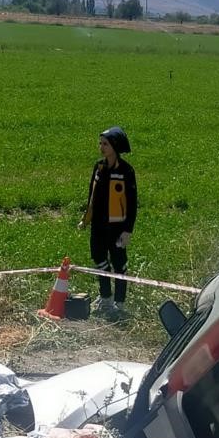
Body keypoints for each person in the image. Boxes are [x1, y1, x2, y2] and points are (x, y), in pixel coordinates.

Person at [79, 125, 137, 314]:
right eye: (100, 143)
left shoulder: (127, 171)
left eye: (105, 144)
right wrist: (86, 219)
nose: (101, 147)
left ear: (115, 146)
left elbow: (132, 202)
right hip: (98, 225)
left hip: (117, 227)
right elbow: (91, 194)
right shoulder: (99, 166)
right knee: (99, 259)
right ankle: (105, 298)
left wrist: (128, 230)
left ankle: (120, 304)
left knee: (120, 265)